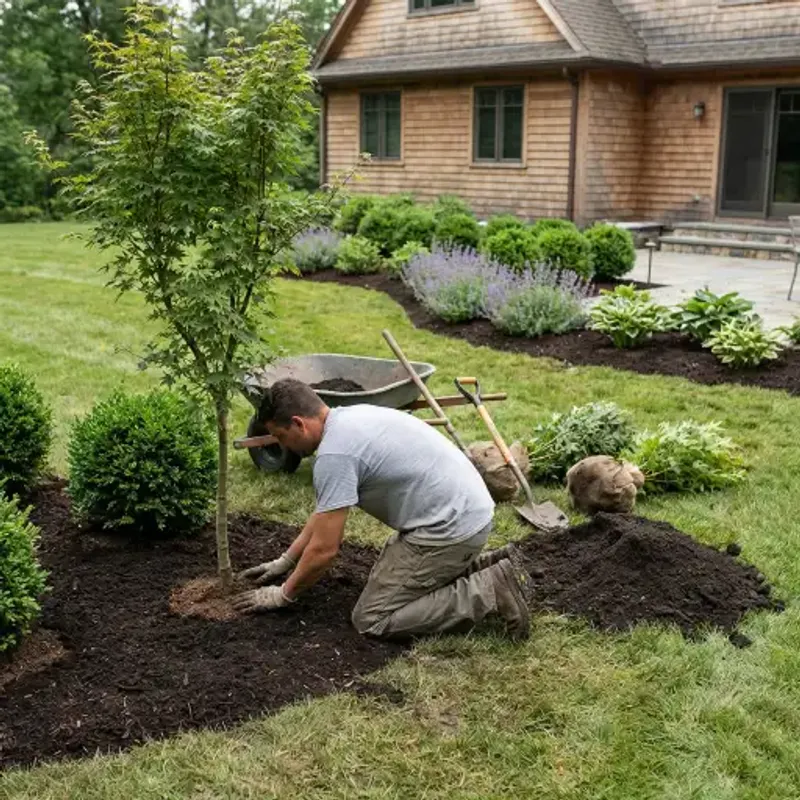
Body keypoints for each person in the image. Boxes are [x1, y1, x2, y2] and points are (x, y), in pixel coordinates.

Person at [233, 378, 534, 640]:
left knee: (372, 618)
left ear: (299, 423)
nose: (284, 446)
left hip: (449, 529)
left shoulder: (334, 455)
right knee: (396, 582)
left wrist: (283, 595)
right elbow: (326, 513)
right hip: (469, 511)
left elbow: (325, 551)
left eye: (283, 437)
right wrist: (285, 561)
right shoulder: (349, 418)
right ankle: (491, 564)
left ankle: (491, 590)